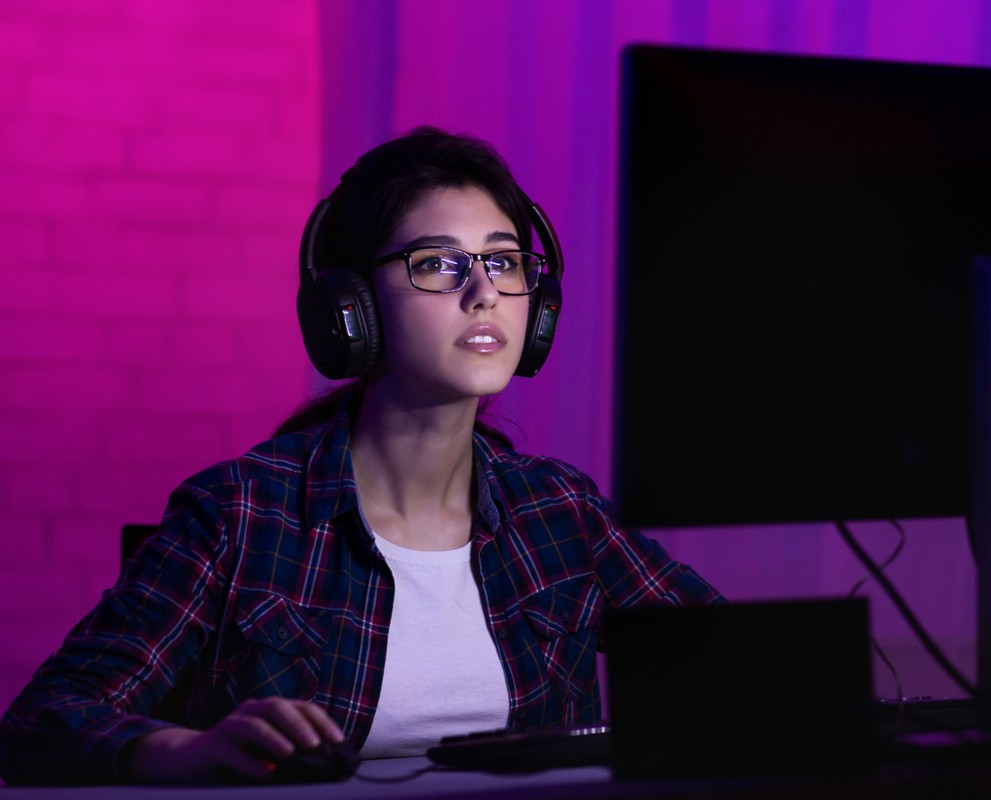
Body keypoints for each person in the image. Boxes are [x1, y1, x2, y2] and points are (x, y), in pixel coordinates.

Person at [0, 127, 722, 785]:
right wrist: (182, 747)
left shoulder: (560, 513)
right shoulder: (239, 513)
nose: (484, 294)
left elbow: (741, 665)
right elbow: (41, 719)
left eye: (504, 263)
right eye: (438, 263)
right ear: (352, 308)